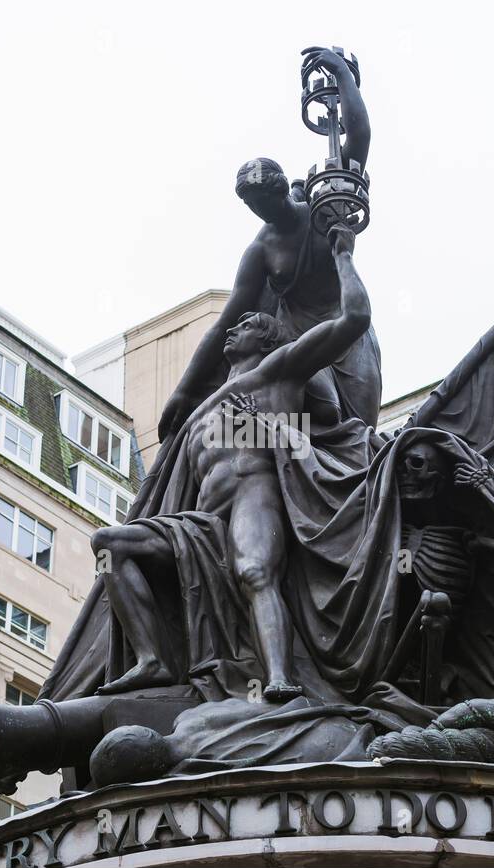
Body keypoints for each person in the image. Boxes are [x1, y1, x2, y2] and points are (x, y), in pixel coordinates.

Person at [92, 224, 370, 702]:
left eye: (242, 326)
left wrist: (343, 257)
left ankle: (280, 678)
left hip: (253, 497)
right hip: (200, 522)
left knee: (255, 573)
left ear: (264, 340)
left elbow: (353, 320)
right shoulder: (203, 408)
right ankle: (152, 660)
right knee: (110, 545)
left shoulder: (277, 370)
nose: (232, 329)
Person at [156, 47, 379, 442]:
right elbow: (227, 321)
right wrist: (186, 390)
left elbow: (359, 135)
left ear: (279, 192)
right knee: (287, 433)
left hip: (347, 330)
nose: (261, 212)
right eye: (253, 206)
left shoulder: (322, 207)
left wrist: (342, 72)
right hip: (294, 342)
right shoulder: (261, 250)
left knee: (357, 433)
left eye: (266, 202)